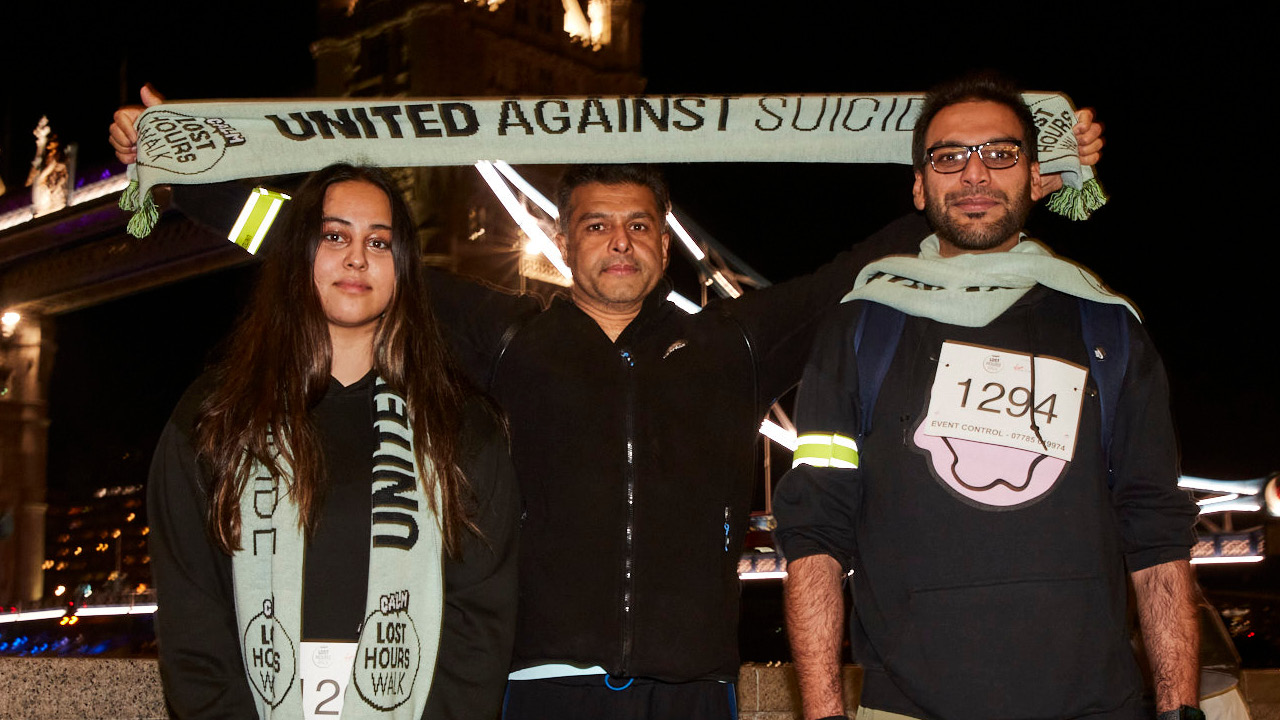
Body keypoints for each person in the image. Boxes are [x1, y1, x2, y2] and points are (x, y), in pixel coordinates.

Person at [116, 97, 1103, 719]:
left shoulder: (736, 341)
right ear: (561, 241)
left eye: (639, 226)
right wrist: (189, 172)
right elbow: (321, 249)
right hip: (540, 686)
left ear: (664, 245)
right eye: (596, 226)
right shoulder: (506, 336)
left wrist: (1012, 178)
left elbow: (870, 266)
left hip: (696, 687)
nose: (620, 243)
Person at [772, 73, 1200, 720]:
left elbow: (1156, 533)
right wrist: (825, 712)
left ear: (1035, 177)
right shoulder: (859, 332)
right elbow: (815, 534)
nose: (974, 174)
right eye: (949, 157)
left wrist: (1180, 709)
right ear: (919, 185)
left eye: (999, 154)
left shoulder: (1107, 329)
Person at [147, 163, 520, 719]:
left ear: (404, 269)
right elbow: (192, 621)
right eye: (333, 236)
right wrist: (180, 156)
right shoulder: (215, 416)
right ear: (296, 255)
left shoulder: (460, 426)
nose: (356, 257)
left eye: (379, 242)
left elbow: (479, 628)